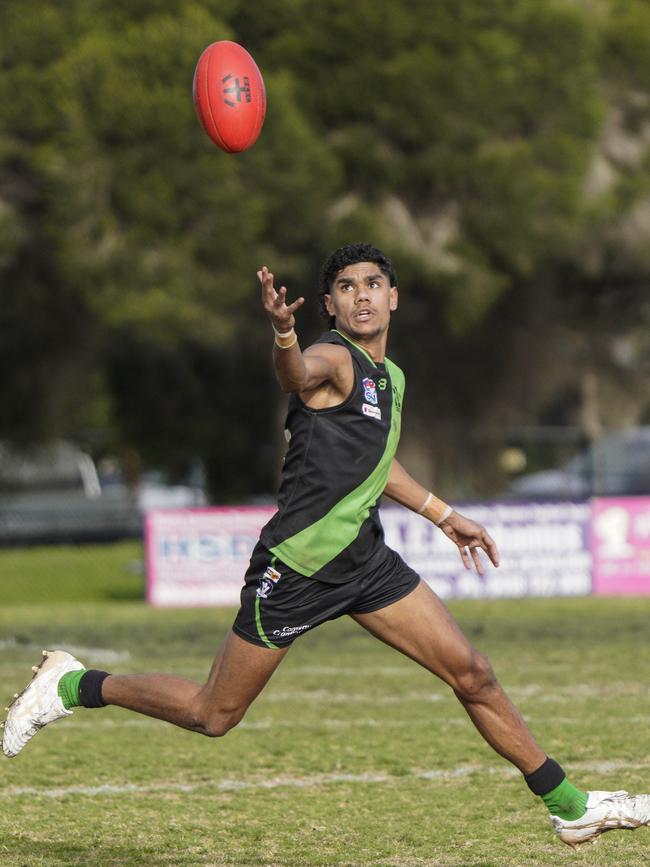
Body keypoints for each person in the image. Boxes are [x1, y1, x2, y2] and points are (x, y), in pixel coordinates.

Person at [3, 243, 649, 849]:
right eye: (346, 287)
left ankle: (569, 805)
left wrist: (442, 513)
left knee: (472, 671)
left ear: (394, 297)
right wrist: (285, 334)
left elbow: (378, 462)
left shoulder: (390, 377)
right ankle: (75, 683)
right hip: (298, 567)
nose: (361, 295)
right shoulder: (333, 359)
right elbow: (295, 374)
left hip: (365, 561)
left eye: (372, 284)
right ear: (331, 305)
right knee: (214, 712)